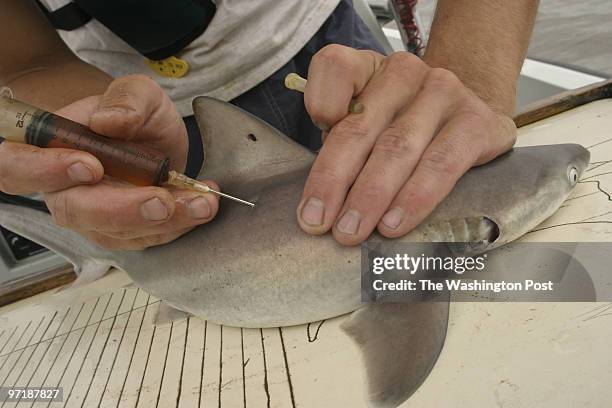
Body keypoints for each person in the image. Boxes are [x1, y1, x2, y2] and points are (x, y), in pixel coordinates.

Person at [0, 0, 538, 250]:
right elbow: (22, 59)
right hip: (148, 121)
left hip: (334, 54)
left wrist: (464, 97)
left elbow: (457, 120)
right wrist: (93, 132)